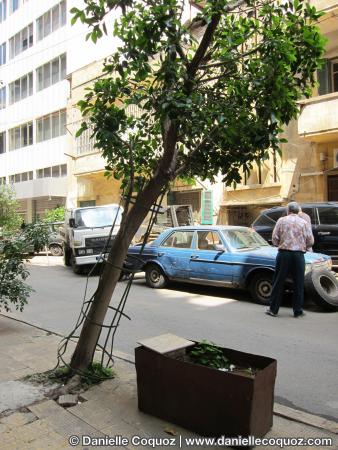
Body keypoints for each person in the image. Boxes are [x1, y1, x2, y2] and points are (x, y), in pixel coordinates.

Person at [266, 202, 314, 318]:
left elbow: (274, 238)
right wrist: (304, 246)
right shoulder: (304, 222)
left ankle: (273, 309)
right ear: (298, 211)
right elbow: (310, 241)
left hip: (284, 254)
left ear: (288, 211)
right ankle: (298, 311)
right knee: (298, 283)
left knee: (279, 281)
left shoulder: (281, 221)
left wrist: (281, 244)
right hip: (298, 256)